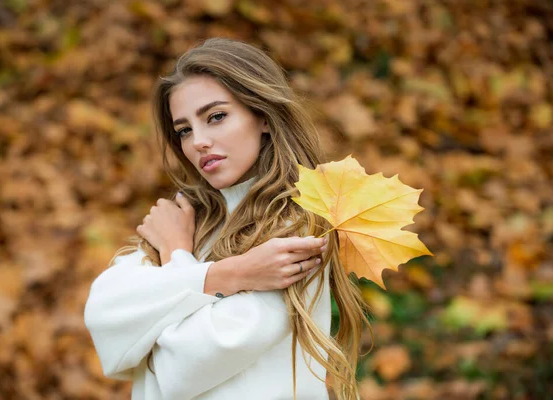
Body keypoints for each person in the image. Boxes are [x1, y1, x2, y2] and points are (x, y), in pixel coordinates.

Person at [84, 37, 369, 400]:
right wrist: (226, 275)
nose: (198, 142)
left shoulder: (298, 227)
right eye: (184, 130)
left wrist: (173, 260)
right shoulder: (185, 220)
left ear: (263, 116)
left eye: (216, 117)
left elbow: (181, 369)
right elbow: (103, 314)